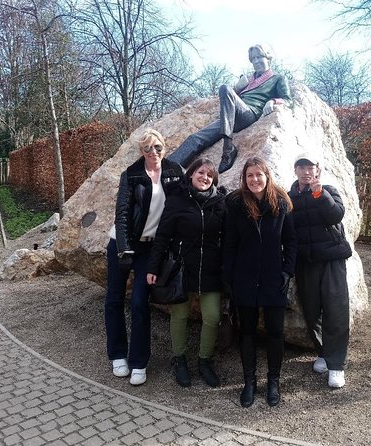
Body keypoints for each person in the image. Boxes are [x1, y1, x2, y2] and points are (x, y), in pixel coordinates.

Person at [107, 129, 184, 386]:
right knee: (115, 299)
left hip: (150, 248)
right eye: (148, 149)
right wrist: (124, 249)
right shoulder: (131, 175)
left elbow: (183, 205)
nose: (154, 153)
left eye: (158, 147)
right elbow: (123, 214)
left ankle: (139, 361)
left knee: (140, 300)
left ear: (165, 147)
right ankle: (118, 354)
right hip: (123, 243)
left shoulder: (174, 172)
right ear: (141, 151)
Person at [223, 157, 297, 407]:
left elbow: (291, 241)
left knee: (275, 332)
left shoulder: (281, 203)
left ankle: (273, 381)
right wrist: (229, 277)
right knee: (247, 333)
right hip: (244, 278)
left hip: (273, 278)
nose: (255, 180)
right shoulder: (235, 204)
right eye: (249, 175)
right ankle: (249, 382)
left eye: (259, 175)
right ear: (244, 179)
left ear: (267, 176)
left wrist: (287, 272)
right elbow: (229, 244)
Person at [146, 158, 226, 388]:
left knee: (212, 317)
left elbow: (228, 238)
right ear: (191, 174)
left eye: (210, 175)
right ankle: (179, 360)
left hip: (211, 270)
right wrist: (153, 267)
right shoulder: (177, 200)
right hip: (182, 269)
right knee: (179, 316)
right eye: (201, 173)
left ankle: (204, 361)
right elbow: (162, 237)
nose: (205, 178)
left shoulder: (220, 202)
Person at [168, 44, 291, 174]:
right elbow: (229, 100)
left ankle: (228, 149)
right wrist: (238, 88)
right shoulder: (248, 80)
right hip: (230, 118)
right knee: (195, 138)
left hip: (249, 114)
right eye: (253, 58)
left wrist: (273, 101)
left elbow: (288, 99)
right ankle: (166, 168)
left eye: (259, 57)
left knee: (225, 88)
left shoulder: (278, 78)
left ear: (268, 57)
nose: (256, 61)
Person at [288, 153, 352, 389]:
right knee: (312, 311)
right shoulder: (289, 196)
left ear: (318, 170)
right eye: (301, 167)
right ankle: (324, 353)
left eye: (310, 167)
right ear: (295, 170)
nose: (306, 172)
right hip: (306, 262)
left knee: (336, 309)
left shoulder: (328, 190)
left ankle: (337, 365)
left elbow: (336, 215)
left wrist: (319, 192)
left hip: (332, 259)